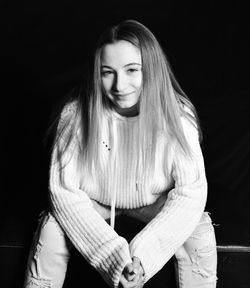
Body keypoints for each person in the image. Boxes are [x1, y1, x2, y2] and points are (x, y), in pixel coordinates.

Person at [24, 19, 217, 288]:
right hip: (95, 202)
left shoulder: (178, 116)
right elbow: (63, 192)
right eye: (107, 72)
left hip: (153, 203)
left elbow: (192, 192)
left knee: (199, 226)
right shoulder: (76, 115)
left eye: (131, 70)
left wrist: (141, 259)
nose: (119, 84)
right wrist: (115, 259)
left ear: (150, 69)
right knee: (51, 226)